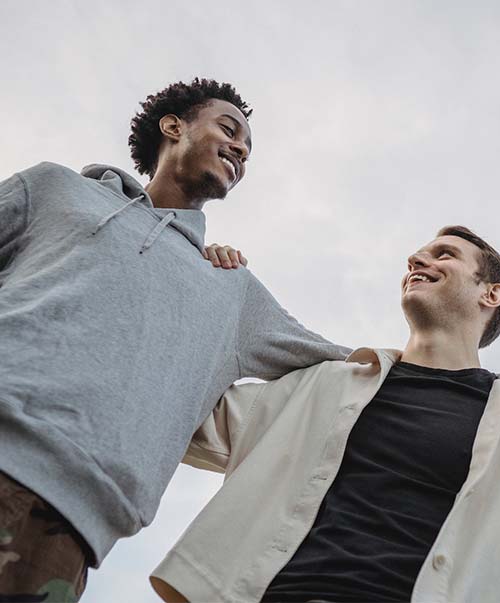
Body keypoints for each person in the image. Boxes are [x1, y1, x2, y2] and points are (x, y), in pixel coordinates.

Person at [0, 78, 348, 601]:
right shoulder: (53, 188)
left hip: (66, 525)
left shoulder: (232, 291)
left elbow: (349, 365)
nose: (240, 150)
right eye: (229, 130)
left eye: (247, 150)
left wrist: (495, 390)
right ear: (173, 126)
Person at [151, 225, 500, 603]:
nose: (416, 261)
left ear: (490, 295)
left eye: (444, 255)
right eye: (416, 256)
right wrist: (202, 286)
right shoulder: (323, 385)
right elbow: (173, 402)